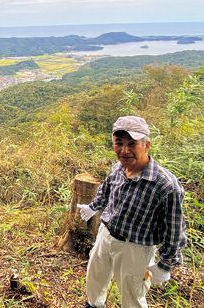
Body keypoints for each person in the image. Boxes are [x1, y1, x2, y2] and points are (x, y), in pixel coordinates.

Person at [77, 116, 186, 308]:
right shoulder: (117, 169)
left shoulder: (166, 185)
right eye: (119, 143)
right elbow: (106, 191)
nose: (124, 150)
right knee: (95, 277)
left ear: (146, 145)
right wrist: (93, 207)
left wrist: (166, 264)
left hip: (135, 248)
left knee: (132, 296)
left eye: (132, 144)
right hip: (106, 233)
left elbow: (175, 231)